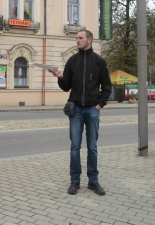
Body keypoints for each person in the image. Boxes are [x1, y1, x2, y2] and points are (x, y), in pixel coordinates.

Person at [51, 29, 112, 196]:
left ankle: (93, 181)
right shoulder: (72, 61)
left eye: (80, 38)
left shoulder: (99, 61)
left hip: (93, 109)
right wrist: (59, 76)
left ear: (89, 40)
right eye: (76, 38)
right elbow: (66, 87)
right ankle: (75, 181)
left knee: (92, 148)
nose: (77, 40)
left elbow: (107, 86)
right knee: (74, 148)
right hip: (76, 110)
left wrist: (100, 104)